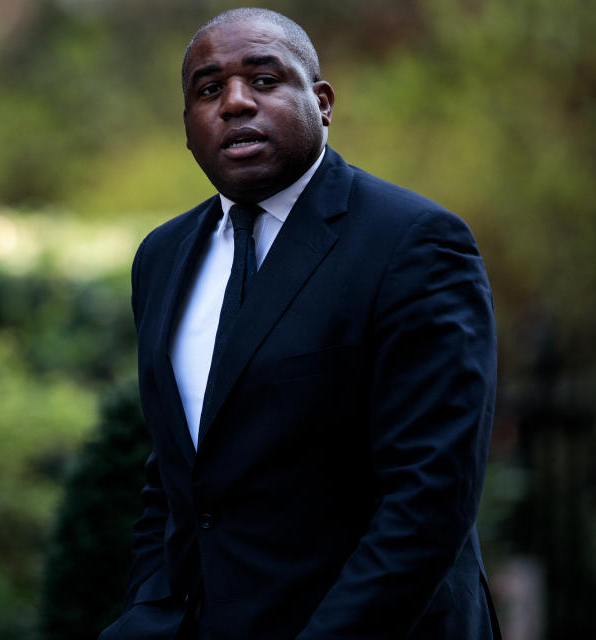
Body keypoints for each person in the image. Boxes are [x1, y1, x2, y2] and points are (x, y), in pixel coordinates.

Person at [99, 7, 501, 640]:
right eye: (209, 89)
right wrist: (148, 613)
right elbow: (174, 479)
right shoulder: (161, 257)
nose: (235, 103)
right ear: (187, 127)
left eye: (263, 80)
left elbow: (429, 498)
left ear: (322, 101)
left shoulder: (413, 243)